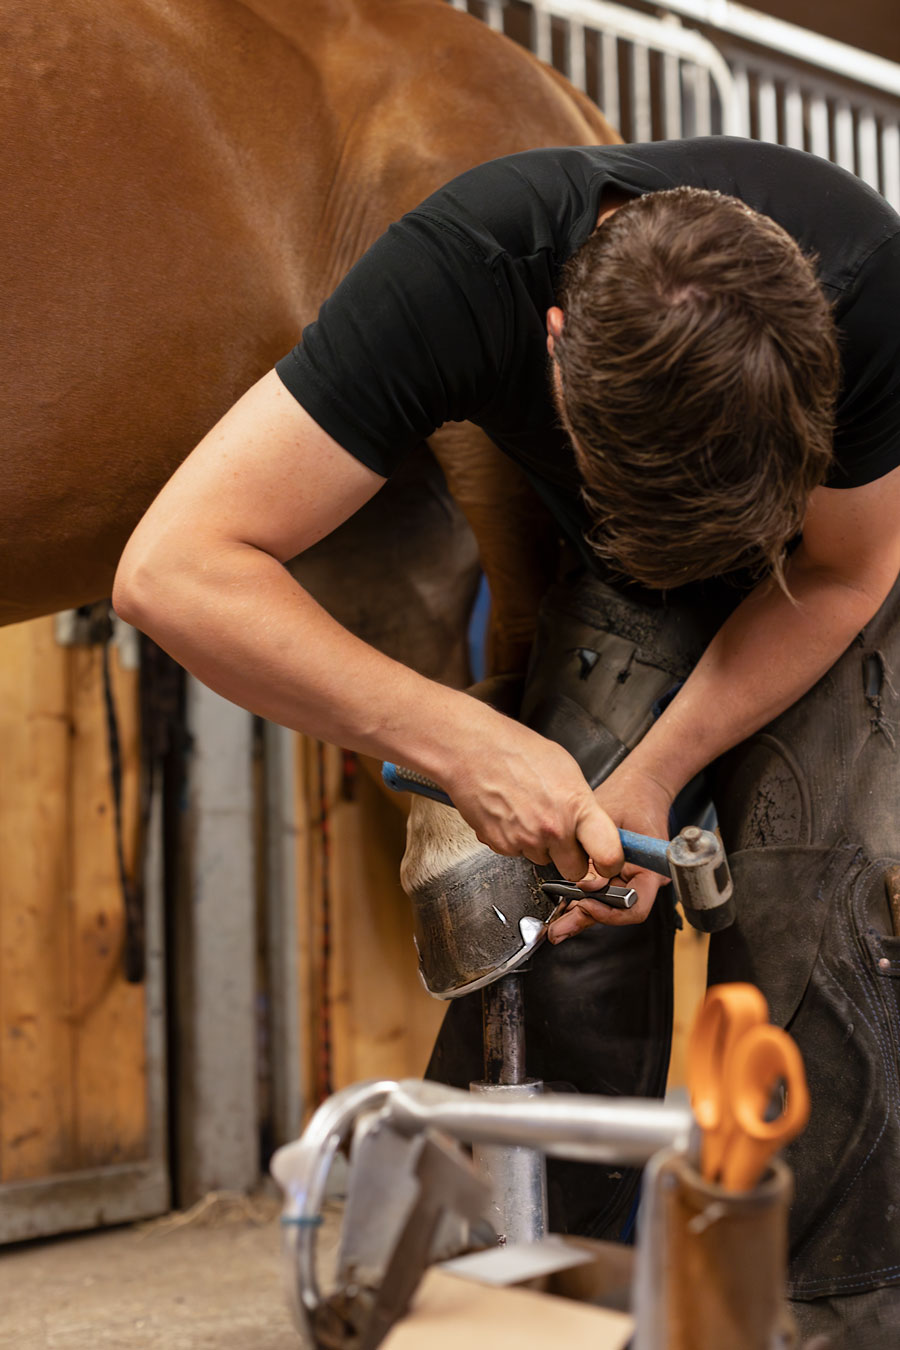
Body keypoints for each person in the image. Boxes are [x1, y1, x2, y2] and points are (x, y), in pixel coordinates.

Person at [113, 136, 900, 1341]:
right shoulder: (465, 267)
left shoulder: (870, 282)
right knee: (536, 921)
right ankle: (503, 1310)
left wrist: (656, 771)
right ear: (553, 347)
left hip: (824, 570)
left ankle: (826, 1322)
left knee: (828, 929)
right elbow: (173, 570)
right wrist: (464, 743)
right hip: (624, 570)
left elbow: (846, 572)